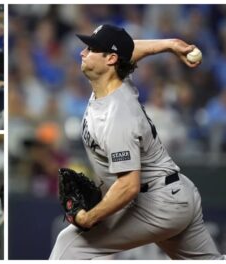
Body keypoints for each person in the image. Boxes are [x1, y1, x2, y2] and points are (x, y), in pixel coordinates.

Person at [49, 24, 225, 260]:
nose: (83, 53)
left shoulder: (117, 115)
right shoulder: (113, 79)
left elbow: (128, 186)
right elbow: (129, 50)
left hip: (157, 203)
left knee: (70, 243)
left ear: (110, 59)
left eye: (91, 49)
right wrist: (169, 44)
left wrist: (88, 218)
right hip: (174, 192)